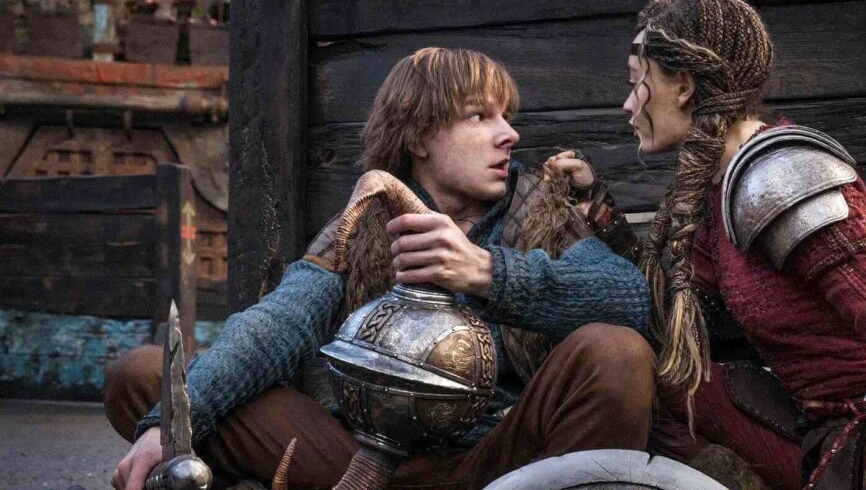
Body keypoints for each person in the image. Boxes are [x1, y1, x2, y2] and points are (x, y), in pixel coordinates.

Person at [104, 48, 655, 490]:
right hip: (362, 463)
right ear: (417, 137)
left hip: (505, 464)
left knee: (617, 354)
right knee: (147, 377)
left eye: (506, 117)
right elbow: (278, 322)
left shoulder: (539, 210)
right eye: (479, 116)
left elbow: (631, 299)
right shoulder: (365, 224)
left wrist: (490, 273)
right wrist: (172, 427)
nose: (508, 133)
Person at [616, 0, 866, 490]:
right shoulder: (721, 188)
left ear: (683, 85)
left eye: (636, 83)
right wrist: (598, 218)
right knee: (664, 379)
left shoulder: (780, 180)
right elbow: (665, 312)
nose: (627, 105)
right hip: (814, 426)